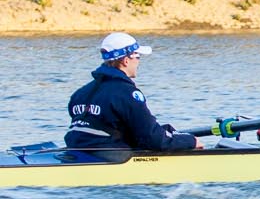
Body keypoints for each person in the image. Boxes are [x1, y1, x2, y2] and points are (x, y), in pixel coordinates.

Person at [65, 32, 198, 152]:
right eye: (138, 57)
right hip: (109, 157)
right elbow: (153, 140)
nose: (138, 62)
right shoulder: (127, 94)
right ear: (126, 60)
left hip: (78, 152)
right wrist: (190, 141)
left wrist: (168, 132)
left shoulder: (80, 93)